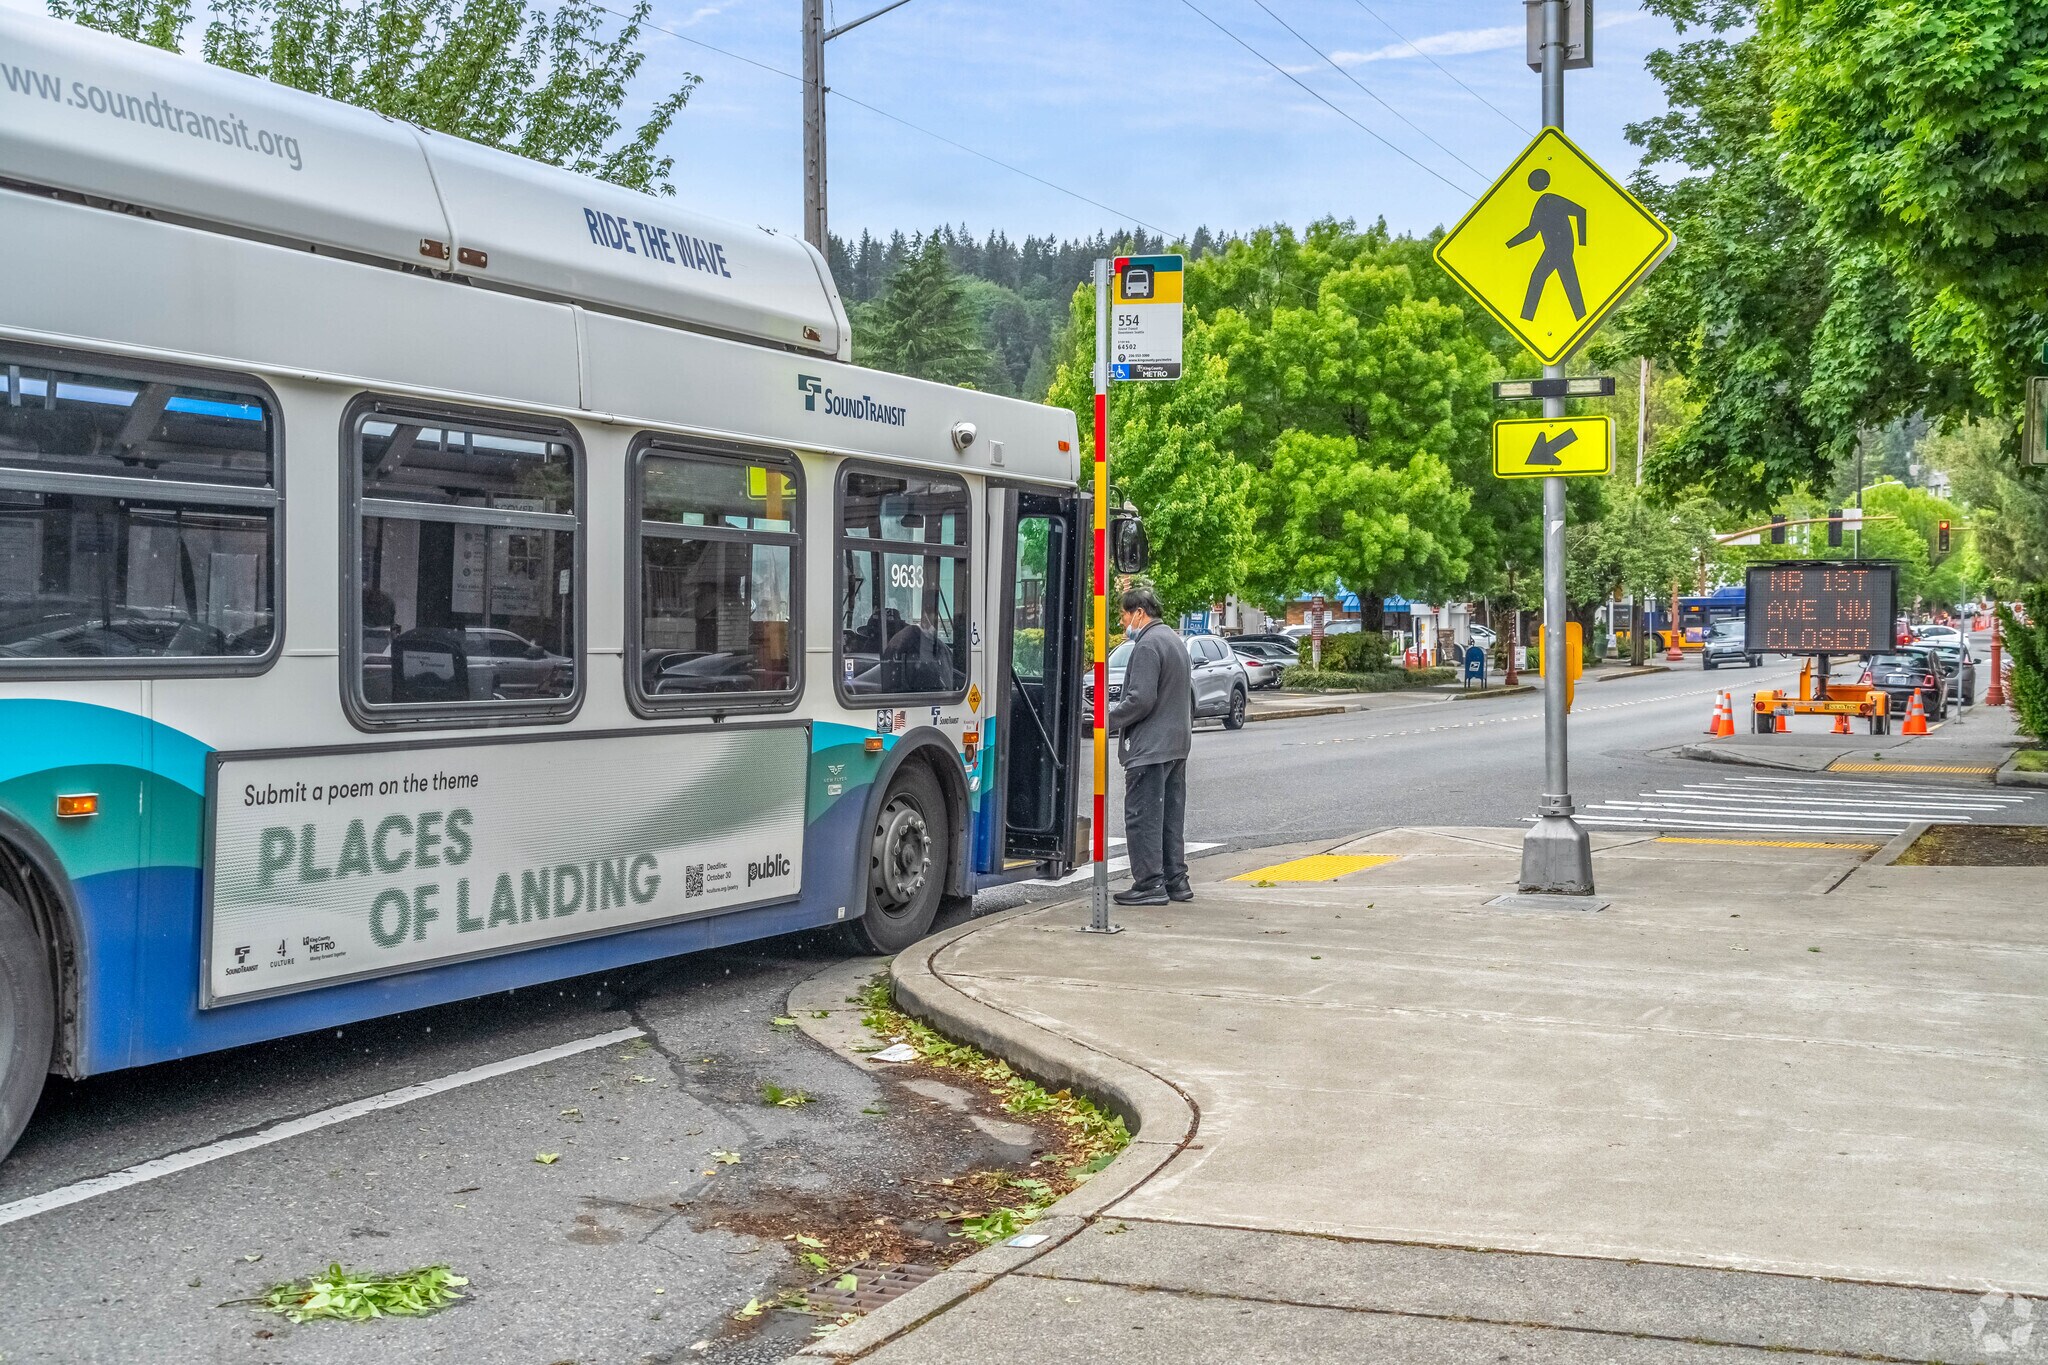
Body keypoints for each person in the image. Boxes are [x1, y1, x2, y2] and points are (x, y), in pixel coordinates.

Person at [1108, 587, 1194, 906]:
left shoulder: (1147, 645)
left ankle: (1149, 884)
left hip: (1150, 746)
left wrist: (1107, 721)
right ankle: (1176, 880)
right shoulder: (1174, 640)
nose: (1122, 622)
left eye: (1124, 615)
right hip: (1176, 744)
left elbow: (1140, 699)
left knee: (1143, 815)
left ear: (1139, 613)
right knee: (1169, 815)